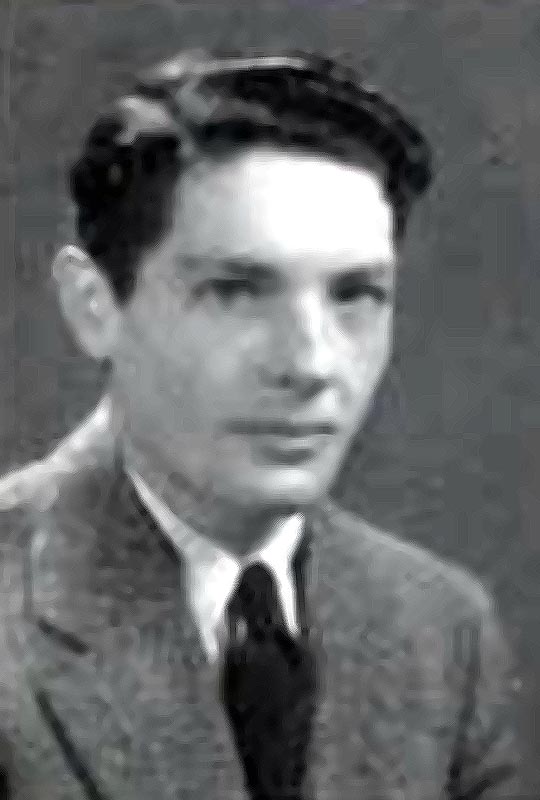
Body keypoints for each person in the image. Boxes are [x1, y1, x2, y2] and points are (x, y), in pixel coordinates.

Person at [0, 49, 522, 800]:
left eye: (356, 295)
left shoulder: (442, 628)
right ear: (95, 307)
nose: (311, 364)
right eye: (235, 292)